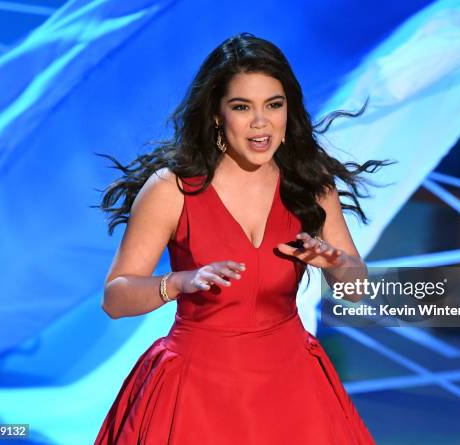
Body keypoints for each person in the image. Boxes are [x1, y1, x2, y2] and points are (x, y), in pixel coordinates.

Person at [95, 33, 387, 444]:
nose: (260, 122)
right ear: (217, 115)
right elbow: (115, 298)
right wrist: (179, 282)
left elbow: (356, 289)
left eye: (273, 105)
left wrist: (339, 263)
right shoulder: (171, 189)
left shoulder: (311, 187)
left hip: (292, 392)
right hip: (194, 392)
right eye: (241, 107)